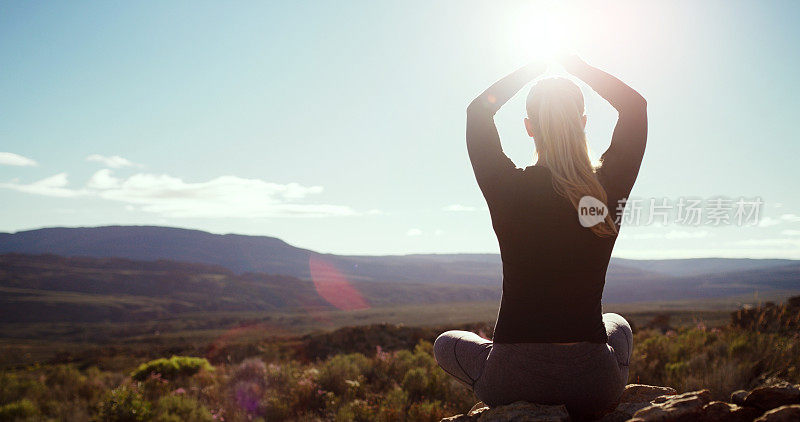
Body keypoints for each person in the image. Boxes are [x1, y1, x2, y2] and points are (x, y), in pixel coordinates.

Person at [433, 55, 647, 419]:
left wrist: (533, 67)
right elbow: (635, 106)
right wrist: (574, 64)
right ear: (582, 124)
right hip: (592, 382)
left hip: (511, 379)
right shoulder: (604, 192)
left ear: (530, 128)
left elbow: (478, 113)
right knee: (619, 326)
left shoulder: (508, 189)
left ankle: (495, 359)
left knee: (446, 344)